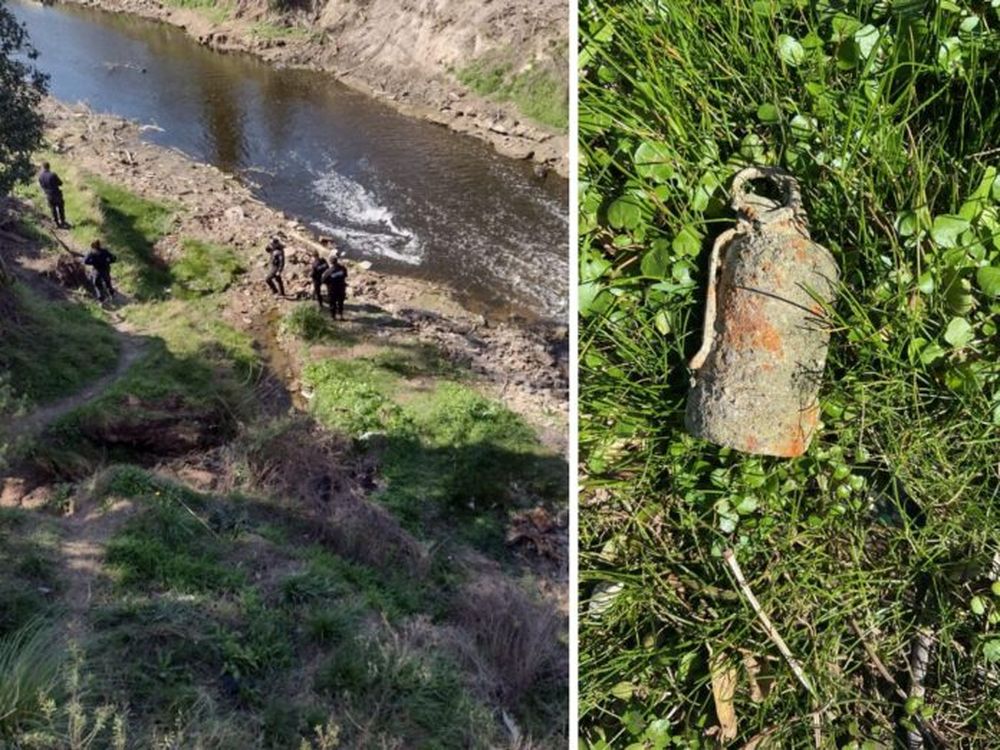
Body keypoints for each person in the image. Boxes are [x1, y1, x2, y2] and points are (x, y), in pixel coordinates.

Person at [38, 162, 67, 228]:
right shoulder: (53, 175)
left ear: (42, 167)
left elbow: (42, 186)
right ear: (49, 167)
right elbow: (60, 183)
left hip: (48, 195)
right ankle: (63, 222)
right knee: (60, 207)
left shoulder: (40, 177)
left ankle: (56, 222)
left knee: (53, 209)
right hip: (56, 193)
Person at [322, 255, 347, 320]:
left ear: (330, 262)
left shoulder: (328, 271)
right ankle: (341, 316)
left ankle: (333, 316)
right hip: (341, 288)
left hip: (332, 289)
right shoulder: (342, 268)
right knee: (340, 303)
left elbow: (323, 280)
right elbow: (345, 275)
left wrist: (329, 283)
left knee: (332, 303)